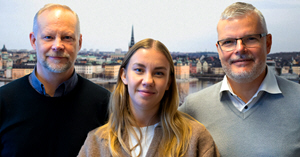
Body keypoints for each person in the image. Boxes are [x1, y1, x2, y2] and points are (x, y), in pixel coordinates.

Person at [179, 2, 300, 157]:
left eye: (250, 38)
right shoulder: (192, 108)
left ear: (268, 43)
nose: (240, 49)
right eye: (228, 42)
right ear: (219, 50)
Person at [0, 4, 110, 157]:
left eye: (67, 37)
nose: (57, 45)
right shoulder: (3, 101)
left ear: (79, 42)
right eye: (48, 37)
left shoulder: (106, 104)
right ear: (33, 40)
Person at [78, 38, 220, 157]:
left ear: (168, 82)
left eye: (158, 73)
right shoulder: (96, 142)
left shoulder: (195, 139)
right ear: (124, 75)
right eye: (139, 70)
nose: (148, 81)